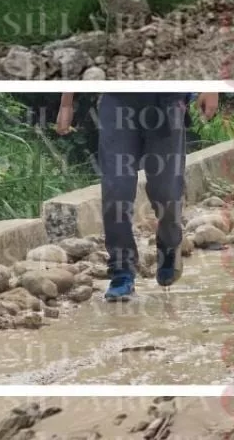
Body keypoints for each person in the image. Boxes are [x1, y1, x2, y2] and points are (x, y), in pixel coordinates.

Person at [55, 92, 221, 301]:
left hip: (167, 100)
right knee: (116, 190)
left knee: (167, 192)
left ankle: (170, 244)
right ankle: (121, 270)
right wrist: (67, 102)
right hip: (117, 100)